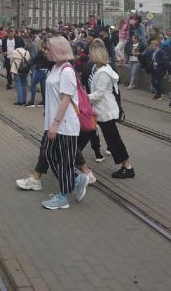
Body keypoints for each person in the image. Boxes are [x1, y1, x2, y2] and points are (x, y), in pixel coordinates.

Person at [36, 36, 83, 209]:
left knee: (65, 160)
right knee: (48, 154)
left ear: (57, 50)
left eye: (48, 49)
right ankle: (76, 178)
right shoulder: (55, 67)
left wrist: (55, 124)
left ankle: (63, 196)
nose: (45, 51)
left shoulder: (67, 70)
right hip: (53, 122)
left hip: (65, 124)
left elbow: (65, 100)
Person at [88, 39, 135, 179]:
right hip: (102, 110)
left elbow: (98, 94)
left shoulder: (103, 73)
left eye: (91, 54)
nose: (89, 56)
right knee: (111, 139)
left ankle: (127, 166)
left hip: (104, 111)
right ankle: (126, 166)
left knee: (113, 140)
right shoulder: (100, 69)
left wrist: (81, 97)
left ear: (96, 55)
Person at [27, 38, 50, 107]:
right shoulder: (49, 52)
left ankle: (32, 102)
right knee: (43, 87)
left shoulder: (40, 52)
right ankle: (44, 101)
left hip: (39, 70)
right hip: (45, 71)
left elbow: (35, 59)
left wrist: (28, 63)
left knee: (33, 85)